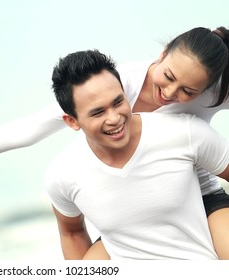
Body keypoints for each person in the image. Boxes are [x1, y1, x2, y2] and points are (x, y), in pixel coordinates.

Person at [0, 26, 229, 258]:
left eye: (188, 91)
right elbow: (29, 128)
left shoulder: (213, 93)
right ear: (163, 53)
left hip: (199, 195)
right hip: (132, 210)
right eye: (168, 77)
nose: (170, 94)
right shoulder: (110, 85)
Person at [45, 49, 229, 259]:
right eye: (98, 112)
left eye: (118, 102)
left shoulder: (184, 133)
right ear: (72, 121)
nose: (114, 119)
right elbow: (72, 232)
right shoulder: (62, 174)